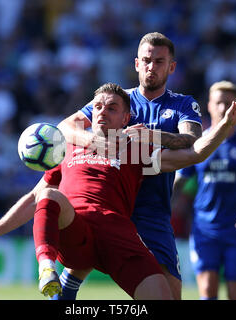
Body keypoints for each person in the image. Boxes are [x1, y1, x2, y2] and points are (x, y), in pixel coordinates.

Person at [0, 83, 236, 299]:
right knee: (49, 195)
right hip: (77, 232)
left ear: (126, 118)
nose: (102, 113)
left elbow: (194, 154)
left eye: (112, 108)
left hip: (119, 236)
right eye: (98, 106)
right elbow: (35, 199)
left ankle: (69, 287)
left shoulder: (136, 148)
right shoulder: (67, 146)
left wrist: (225, 125)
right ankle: (47, 268)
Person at [56, 32, 203, 300]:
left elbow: (192, 142)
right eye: (146, 60)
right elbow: (65, 127)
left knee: (171, 293)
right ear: (136, 64)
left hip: (152, 207)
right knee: (84, 254)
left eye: (159, 61)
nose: (151, 66)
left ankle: (70, 279)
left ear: (171, 67)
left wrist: (149, 136)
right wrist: (97, 143)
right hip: (109, 200)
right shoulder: (117, 100)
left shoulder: (182, 104)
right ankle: (68, 284)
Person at [173, 81, 236, 300]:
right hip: (204, 230)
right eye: (218, 102)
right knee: (208, 293)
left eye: (228, 103)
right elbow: (177, 184)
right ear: (209, 105)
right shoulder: (198, 144)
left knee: (235, 296)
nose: (223, 108)